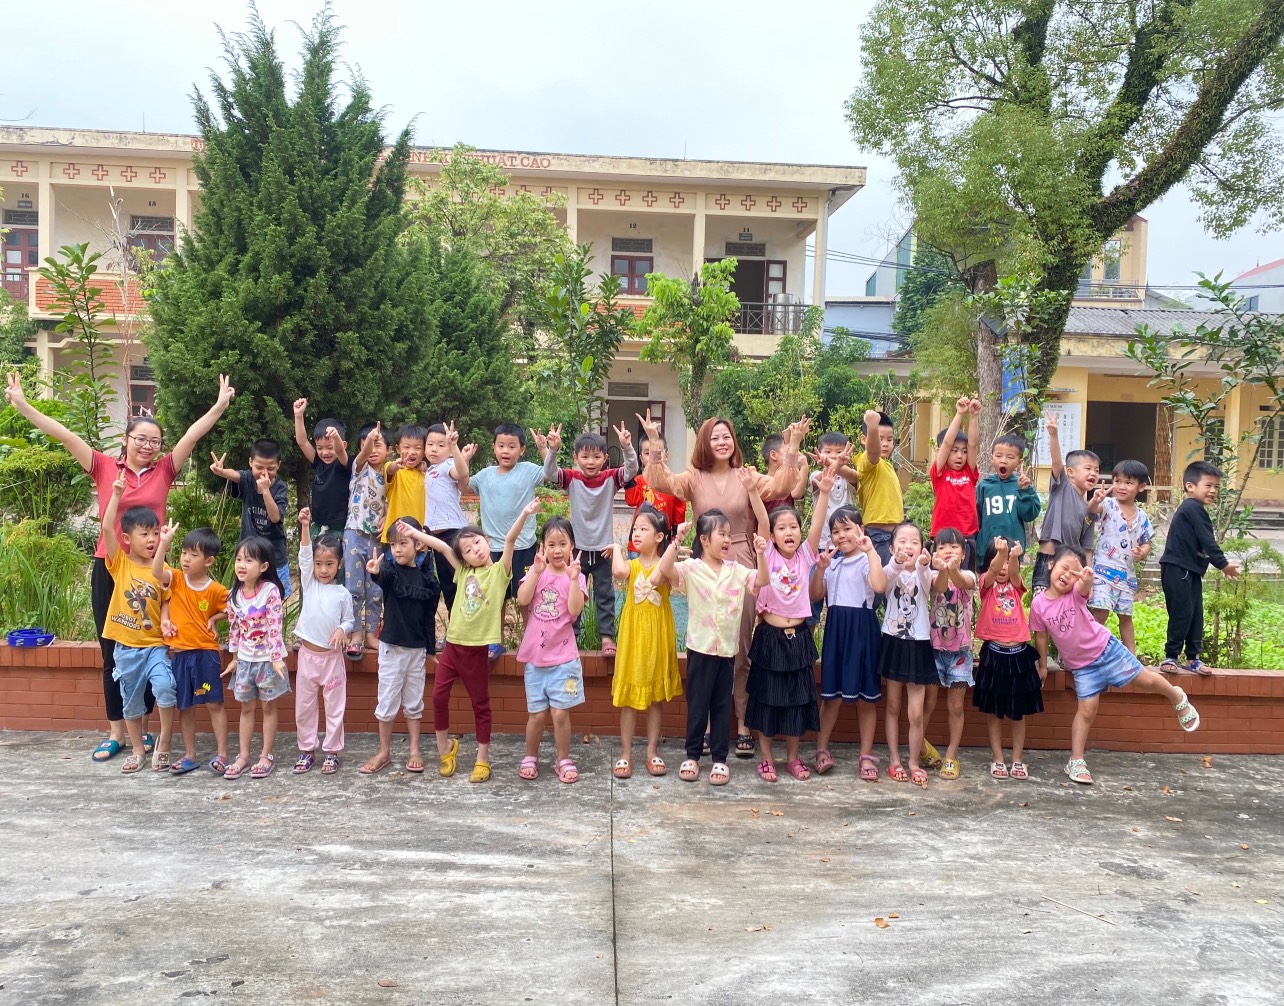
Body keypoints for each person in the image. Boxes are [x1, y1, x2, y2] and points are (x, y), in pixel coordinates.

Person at [4, 370, 234, 762]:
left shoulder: (165, 470)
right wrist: (23, 405)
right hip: (110, 567)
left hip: (152, 573)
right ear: (126, 439)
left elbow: (191, 437)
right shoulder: (103, 466)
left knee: (153, 646)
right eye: (141, 439)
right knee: (112, 651)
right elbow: (64, 435)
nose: (148, 446)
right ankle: (117, 731)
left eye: (154, 441)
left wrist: (219, 406)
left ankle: (144, 730)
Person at [640, 409, 804, 759]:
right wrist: (654, 441)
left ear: (734, 442)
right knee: (706, 644)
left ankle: (742, 723)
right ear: (704, 442)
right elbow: (660, 481)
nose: (722, 442)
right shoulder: (694, 478)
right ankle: (706, 728)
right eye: (714, 437)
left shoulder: (746, 475)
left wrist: (793, 447)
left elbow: (781, 486)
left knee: (740, 644)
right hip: (704, 565)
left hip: (741, 558)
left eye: (726, 436)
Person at [1031, 545, 1201, 785]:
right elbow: (1040, 636)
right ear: (1051, 565)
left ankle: (1177, 697)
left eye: (1073, 572)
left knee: (1146, 680)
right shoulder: (1038, 604)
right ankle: (1076, 760)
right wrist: (1042, 665)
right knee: (1086, 710)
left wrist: (1086, 578)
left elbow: (1084, 587)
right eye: (1063, 568)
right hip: (1082, 667)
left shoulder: (1075, 594)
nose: (1067, 575)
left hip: (1106, 650)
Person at [405, 503, 539, 783]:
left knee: (480, 704)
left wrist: (525, 513)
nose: (475, 550)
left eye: (477, 542)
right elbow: (443, 548)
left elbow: (510, 539)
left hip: (477, 651)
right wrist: (415, 534)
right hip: (453, 648)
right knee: (438, 697)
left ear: (487, 541)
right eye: (467, 550)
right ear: (463, 558)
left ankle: (483, 758)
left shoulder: (499, 572)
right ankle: (445, 749)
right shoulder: (464, 572)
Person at [745, 464, 835, 782]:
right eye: (781, 528)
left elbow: (818, 523)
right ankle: (767, 758)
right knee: (767, 700)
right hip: (769, 636)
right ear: (772, 535)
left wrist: (825, 493)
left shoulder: (806, 556)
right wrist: (753, 491)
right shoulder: (767, 553)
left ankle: (793, 759)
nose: (789, 532)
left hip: (798, 637)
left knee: (797, 701)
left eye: (793, 527)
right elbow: (761, 518)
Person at [658, 510, 761, 786]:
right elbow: (665, 571)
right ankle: (692, 756)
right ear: (704, 539)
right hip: (700, 649)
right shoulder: (692, 569)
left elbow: (761, 581)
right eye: (721, 534)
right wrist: (676, 541)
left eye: (729, 534)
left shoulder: (736, 570)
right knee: (697, 705)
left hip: (726, 651)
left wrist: (761, 554)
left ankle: (719, 759)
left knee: (721, 706)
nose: (727, 539)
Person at [100, 475, 176, 774]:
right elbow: (107, 527)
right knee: (131, 704)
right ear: (127, 539)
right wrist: (116, 495)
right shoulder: (120, 563)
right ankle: (136, 750)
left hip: (155, 646)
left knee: (166, 688)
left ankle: (164, 742)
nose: (152, 539)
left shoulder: (163, 569)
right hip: (126, 649)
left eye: (156, 533)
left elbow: (166, 600)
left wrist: (166, 621)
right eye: (145, 534)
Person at [542, 423, 638, 655]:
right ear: (576, 458)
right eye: (585, 457)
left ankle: (606, 638)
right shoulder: (572, 478)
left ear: (605, 458)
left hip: (604, 549)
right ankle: (571, 637)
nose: (591, 462)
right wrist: (553, 449)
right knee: (573, 594)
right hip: (577, 551)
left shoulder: (610, 478)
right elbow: (550, 473)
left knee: (605, 595)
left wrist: (627, 447)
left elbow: (631, 470)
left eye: (596, 457)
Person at [359, 516, 440, 776]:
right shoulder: (391, 573)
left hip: (416, 651)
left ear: (419, 544)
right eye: (393, 544)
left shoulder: (428, 580)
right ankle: (384, 751)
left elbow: (428, 619)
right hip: (391, 649)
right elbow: (382, 578)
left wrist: (430, 650)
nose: (397, 549)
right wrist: (375, 571)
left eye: (403, 543)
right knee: (386, 702)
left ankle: (414, 750)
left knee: (414, 703)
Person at [470, 423, 557, 660]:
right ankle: (495, 642)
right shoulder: (485, 475)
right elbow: (463, 483)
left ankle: (531, 641)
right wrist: (462, 457)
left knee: (525, 597)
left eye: (511, 446)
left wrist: (545, 449)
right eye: (501, 446)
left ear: (522, 450)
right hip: (494, 549)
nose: (505, 451)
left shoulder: (528, 470)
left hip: (523, 547)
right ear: (493, 448)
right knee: (496, 598)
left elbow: (551, 474)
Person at [812, 506, 886, 780]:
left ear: (861, 531)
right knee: (831, 696)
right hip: (836, 631)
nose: (841, 535)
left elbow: (879, 586)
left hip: (862, 631)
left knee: (866, 698)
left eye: (847, 529)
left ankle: (866, 755)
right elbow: (815, 595)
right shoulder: (831, 563)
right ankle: (821, 749)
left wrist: (871, 551)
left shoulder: (867, 559)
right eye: (836, 531)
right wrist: (820, 570)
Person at [609, 509, 682, 779]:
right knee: (629, 699)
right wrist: (617, 548)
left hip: (657, 637)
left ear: (659, 537)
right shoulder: (632, 565)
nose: (636, 533)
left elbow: (663, 575)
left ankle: (652, 751)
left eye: (643, 529)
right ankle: (625, 753)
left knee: (654, 699)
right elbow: (619, 571)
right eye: (635, 529)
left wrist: (676, 544)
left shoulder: (665, 565)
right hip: (634, 638)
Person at [514, 517, 587, 782]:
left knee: (560, 713)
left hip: (564, 661)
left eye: (563, 544)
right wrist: (535, 572)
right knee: (536, 715)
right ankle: (530, 756)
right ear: (543, 547)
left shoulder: (576, 576)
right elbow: (522, 599)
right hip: (536, 660)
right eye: (551, 544)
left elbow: (575, 610)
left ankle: (563, 759)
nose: (557, 550)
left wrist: (573, 579)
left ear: (572, 546)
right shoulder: (537, 571)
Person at [153, 523, 230, 776]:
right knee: (185, 706)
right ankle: (190, 755)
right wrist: (164, 543)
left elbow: (233, 608)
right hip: (180, 655)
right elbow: (156, 572)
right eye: (184, 552)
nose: (186, 558)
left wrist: (214, 618)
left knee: (214, 703)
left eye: (193, 554)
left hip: (206, 654)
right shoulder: (175, 578)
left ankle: (222, 754)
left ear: (208, 561)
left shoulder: (216, 590)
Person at [1158, 461, 1241, 675]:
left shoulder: (1195, 509)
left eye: (1216, 487)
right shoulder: (1192, 507)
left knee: (1196, 614)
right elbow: (1207, 540)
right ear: (1190, 486)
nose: (1213, 490)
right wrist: (1223, 564)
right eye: (1208, 485)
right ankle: (1171, 656)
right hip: (1178, 568)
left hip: (1190, 570)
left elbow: (1202, 543)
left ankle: (1193, 658)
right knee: (1182, 612)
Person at [972, 537, 1043, 780]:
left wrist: (1012, 556)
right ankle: (998, 758)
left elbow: (1013, 573)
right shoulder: (986, 584)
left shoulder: (1016, 584)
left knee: (1018, 713)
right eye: (996, 559)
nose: (1002, 567)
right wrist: (1002, 554)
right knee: (994, 711)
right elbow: (993, 572)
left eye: (1006, 561)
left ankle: (1017, 759)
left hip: (1018, 655)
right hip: (994, 654)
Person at [221, 535, 289, 781]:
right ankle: (243, 756)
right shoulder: (234, 595)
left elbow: (275, 625)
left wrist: (275, 657)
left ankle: (266, 755)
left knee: (268, 707)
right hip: (245, 661)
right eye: (239, 559)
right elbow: (234, 629)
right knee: (246, 708)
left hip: (268, 662)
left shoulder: (270, 591)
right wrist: (234, 657)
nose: (241, 565)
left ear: (263, 566)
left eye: (248, 560)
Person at [292, 508, 355, 775]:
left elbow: (349, 620)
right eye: (319, 564)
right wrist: (306, 527)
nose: (323, 569)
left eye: (329, 564)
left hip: (332, 660)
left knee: (334, 707)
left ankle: (331, 751)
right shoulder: (309, 584)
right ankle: (307, 750)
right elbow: (304, 555)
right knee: (304, 708)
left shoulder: (342, 594)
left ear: (339, 565)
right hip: (307, 658)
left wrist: (342, 629)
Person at [876, 522, 936, 788]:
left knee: (916, 713)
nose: (908, 546)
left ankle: (913, 762)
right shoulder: (890, 571)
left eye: (914, 542)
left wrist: (923, 565)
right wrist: (896, 563)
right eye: (902, 541)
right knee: (892, 705)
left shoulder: (926, 572)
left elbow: (928, 583)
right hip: (893, 642)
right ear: (891, 548)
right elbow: (884, 582)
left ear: (922, 548)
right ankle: (894, 759)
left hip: (919, 644)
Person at [210, 439, 292, 597]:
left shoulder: (280, 487)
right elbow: (236, 475)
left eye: (270, 468)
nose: (264, 473)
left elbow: (275, 517)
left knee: (277, 597)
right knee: (247, 596)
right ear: (250, 462)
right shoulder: (248, 479)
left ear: (278, 465)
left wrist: (266, 491)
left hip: (274, 556)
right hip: (248, 556)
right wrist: (222, 472)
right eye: (259, 467)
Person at [1089, 460, 1155, 654]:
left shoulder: (1142, 516)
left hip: (1126, 576)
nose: (1121, 487)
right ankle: (1088, 652)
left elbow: (1146, 541)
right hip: (1103, 571)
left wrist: (1143, 551)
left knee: (1126, 617)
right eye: (1117, 481)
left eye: (1128, 483)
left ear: (1141, 487)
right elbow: (1091, 510)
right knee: (1100, 613)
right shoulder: (1108, 504)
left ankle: (1131, 658)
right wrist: (1096, 500)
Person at [927, 527, 977, 780]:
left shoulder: (968, 575)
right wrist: (941, 569)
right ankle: (921, 746)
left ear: (964, 552)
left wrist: (952, 569)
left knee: (955, 706)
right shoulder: (931, 575)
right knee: (928, 703)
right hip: (934, 651)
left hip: (961, 653)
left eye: (954, 547)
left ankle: (951, 755)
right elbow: (938, 585)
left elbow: (961, 582)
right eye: (942, 547)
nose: (948, 551)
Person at [1032, 412, 1101, 592]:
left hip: (1071, 568)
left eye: (1096, 470)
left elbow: (1087, 548)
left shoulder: (1089, 508)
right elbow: (1056, 461)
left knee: (1067, 608)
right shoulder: (1062, 487)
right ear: (1070, 472)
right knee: (1042, 604)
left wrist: (1088, 579)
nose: (1093, 473)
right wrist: (1053, 434)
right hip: (1049, 559)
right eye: (1088, 468)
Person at [343, 421, 388, 658]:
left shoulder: (390, 475)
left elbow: (393, 502)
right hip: (354, 534)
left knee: (375, 590)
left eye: (378, 445)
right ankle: (355, 635)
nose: (372, 450)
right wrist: (370, 439)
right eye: (367, 445)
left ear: (389, 450)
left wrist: (387, 517)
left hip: (377, 540)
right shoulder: (359, 469)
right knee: (353, 589)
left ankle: (371, 634)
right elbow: (361, 457)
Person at [424, 421, 477, 616]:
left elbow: (462, 473)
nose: (434, 449)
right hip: (436, 536)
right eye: (430, 444)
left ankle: (465, 620)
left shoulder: (447, 465)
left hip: (453, 533)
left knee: (458, 580)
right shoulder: (429, 469)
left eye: (441, 445)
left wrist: (455, 449)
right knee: (447, 583)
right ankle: (454, 623)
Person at [930, 398, 981, 568]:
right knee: (941, 577)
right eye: (955, 451)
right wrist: (959, 414)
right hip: (943, 536)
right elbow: (946, 443)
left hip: (966, 535)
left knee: (963, 577)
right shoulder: (939, 473)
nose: (960, 456)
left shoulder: (969, 472)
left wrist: (973, 416)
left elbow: (973, 444)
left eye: (963, 452)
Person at [292, 398, 351, 542]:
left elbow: (341, 452)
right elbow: (302, 442)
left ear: (343, 445)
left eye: (330, 447)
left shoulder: (344, 464)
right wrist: (298, 416)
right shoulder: (319, 463)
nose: (325, 452)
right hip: (318, 525)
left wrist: (335, 437)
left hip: (339, 526)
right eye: (320, 448)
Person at [976, 434, 1041, 558]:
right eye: (999, 456)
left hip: (1013, 551)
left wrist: (1025, 491)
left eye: (1010, 457)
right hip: (987, 551)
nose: (1003, 460)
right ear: (991, 458)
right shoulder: (984, 486)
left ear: (1019, 462)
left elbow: (1029, 515)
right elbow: (976, 519)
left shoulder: (1022, 486)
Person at [622, 432, 687, 555]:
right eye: (648, 453)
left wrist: (675, 540)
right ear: (641, 458)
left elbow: (679, 515)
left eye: (658, 452)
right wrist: (629, 475)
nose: (653, 457)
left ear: (666, 455)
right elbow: (631, 500)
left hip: (662, 546)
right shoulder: (639, 481)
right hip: (638, 548)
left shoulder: (674, 483)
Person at [856, 409, 904, 565]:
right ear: (864, 439)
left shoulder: (887, 466)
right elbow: (873, 452)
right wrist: (872, 426)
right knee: (881, 576)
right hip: (877, 534)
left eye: (889, 439)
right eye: (879, 438)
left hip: (895, 535)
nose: (885, 443)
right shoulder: (867, 461)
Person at [382, 424, 429, 542]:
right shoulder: (394, 469)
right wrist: (397, 464)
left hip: (420, 536)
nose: (411, 452)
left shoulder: (426, 474)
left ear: (424, 451)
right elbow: (390, 470)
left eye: (418, 448)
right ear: (398, 449)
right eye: (407, 447)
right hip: (394, 537)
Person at [761, 433, 808, 516]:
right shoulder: (761, 482)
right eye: (788, 451)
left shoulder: (789, 478)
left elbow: (796, 494)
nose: (793, 454)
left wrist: (804, 466)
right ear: (773, 455)